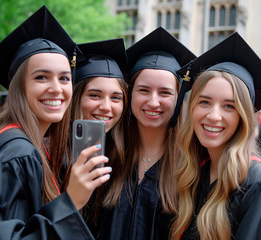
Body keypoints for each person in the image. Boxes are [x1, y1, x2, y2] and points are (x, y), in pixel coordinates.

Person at [0, 6, 111, 239]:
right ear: (20, 87)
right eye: (41, 77)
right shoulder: (18, 153)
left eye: (64, 78)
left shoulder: (22, 143)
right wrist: (71, 201)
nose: (57, 88)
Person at [170, 32, 261, 240]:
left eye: (229, 106)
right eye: (204, 102)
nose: (213, 115)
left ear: (243, 116)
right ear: (191, 108)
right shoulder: (199, 170)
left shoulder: (259, 186)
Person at [92, 27, 196, 240]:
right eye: (143, 90)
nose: (153, 102)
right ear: (129, 94)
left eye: (165, 92)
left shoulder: (192, 165)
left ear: (178, 99)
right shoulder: (106, 155)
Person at [69, 38, 129, 227]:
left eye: (116, 98)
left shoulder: (121, 157)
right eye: (95, 95)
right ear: (76, 97)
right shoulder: (46, 152)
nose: (106, 107)